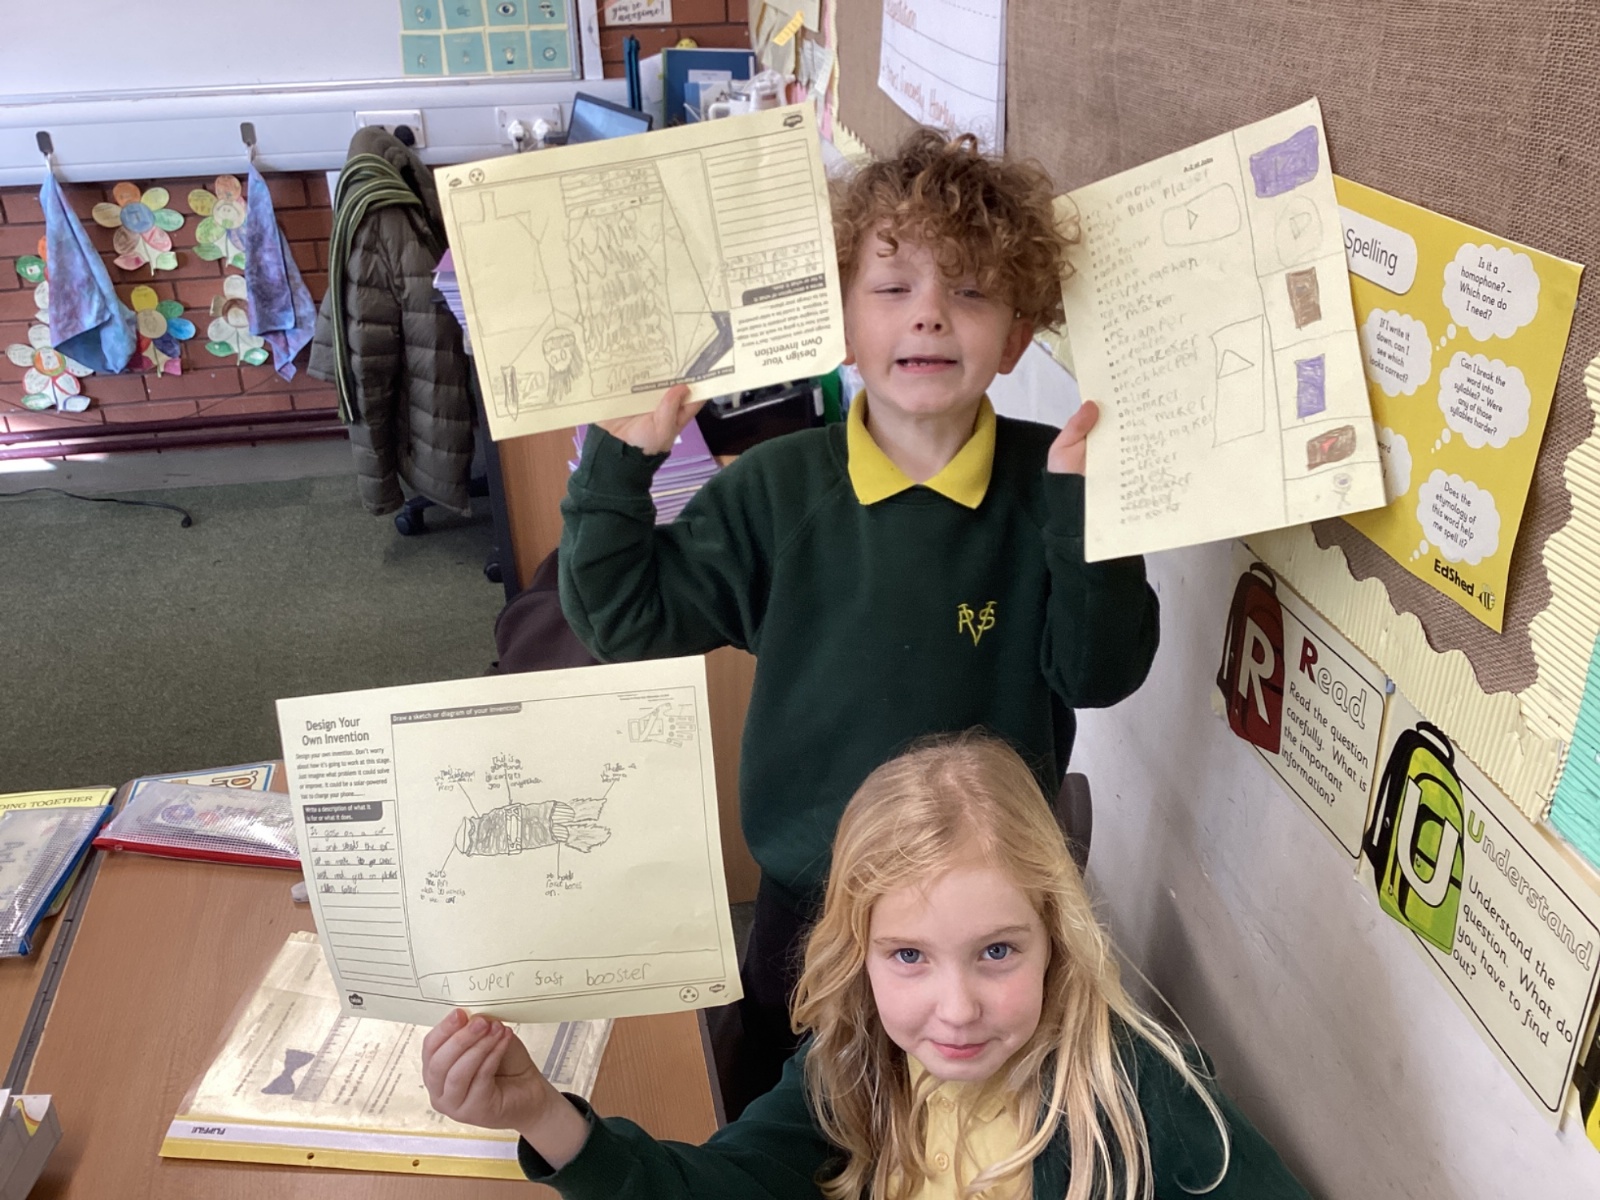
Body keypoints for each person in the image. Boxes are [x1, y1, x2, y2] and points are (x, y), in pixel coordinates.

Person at [558, 128, 1161, 1113]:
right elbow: (622, 619)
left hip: (986, 921)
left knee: (969, 1123)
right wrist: (618, 466)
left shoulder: (1053, 479)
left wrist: (1088, 520)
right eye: (892, 288)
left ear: (1016, 339)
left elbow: (1100, 671)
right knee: (788, 1117)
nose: (929, 314)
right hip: (808, 903)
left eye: (970, 292)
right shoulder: (778, 490)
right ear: (840, 325)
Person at [421, 733, 1310, 1199]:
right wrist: (543, 1115)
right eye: (910, 956)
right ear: (860, 954)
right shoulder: (852, 1061)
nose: (956, 1008)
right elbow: (726, 1187)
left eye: (998, 951)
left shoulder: (1137, 1092)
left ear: (1057, 937)